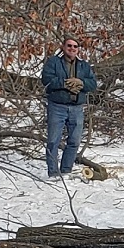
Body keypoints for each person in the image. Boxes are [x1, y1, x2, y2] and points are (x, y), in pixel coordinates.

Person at [43, 34, 97, 178]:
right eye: (69, 46)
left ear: (78, 49)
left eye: (75, 46)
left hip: (77, 108)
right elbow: (46, 80)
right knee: (53, 141)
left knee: (74, 141)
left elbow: (93, 84)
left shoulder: (84, 65)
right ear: (63, 47)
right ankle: (53, 173)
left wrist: (81, 83)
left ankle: (66, 170)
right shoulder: (54, 62)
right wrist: (65, 83)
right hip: (57, 107)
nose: (72, 49)